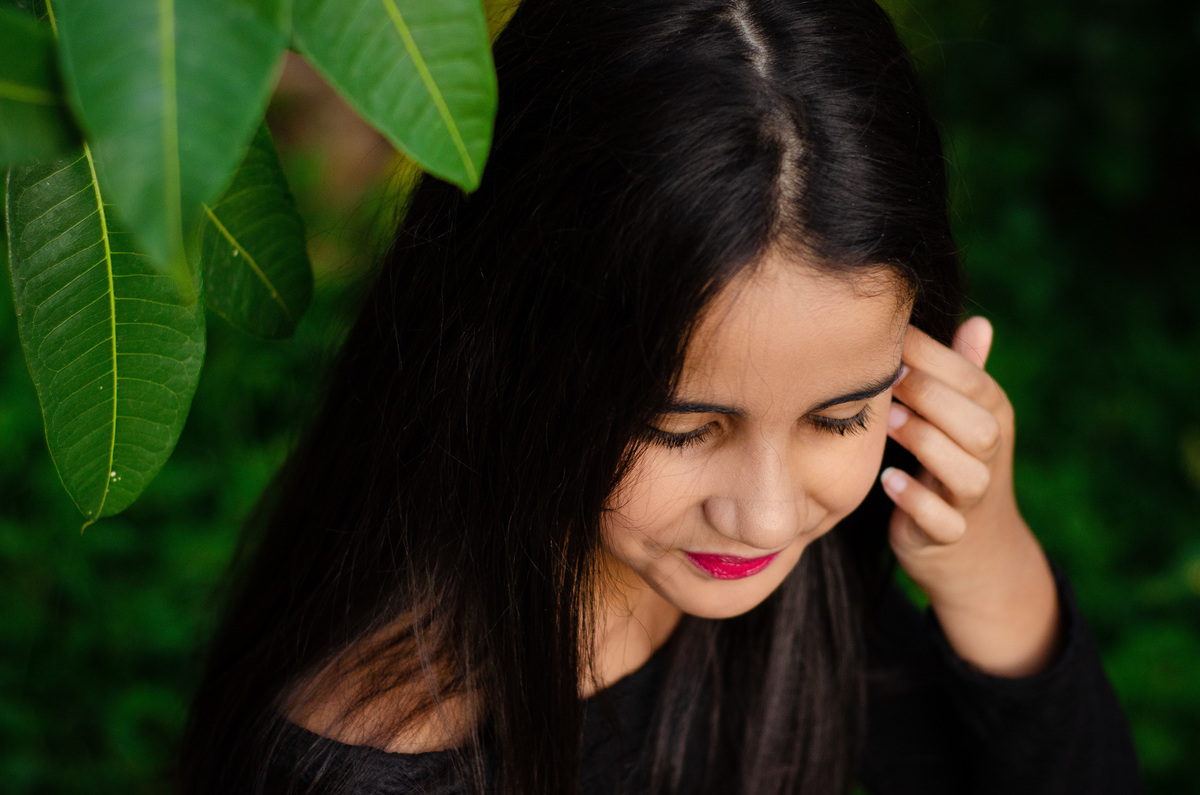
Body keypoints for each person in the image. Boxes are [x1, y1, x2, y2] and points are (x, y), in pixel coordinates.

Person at [177, 0, 1142, 792]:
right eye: (677, 428)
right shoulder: (379, 769)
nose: (763, 513)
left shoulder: (840, 535)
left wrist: (986, 558)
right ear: (507, 352)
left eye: (840, 414)